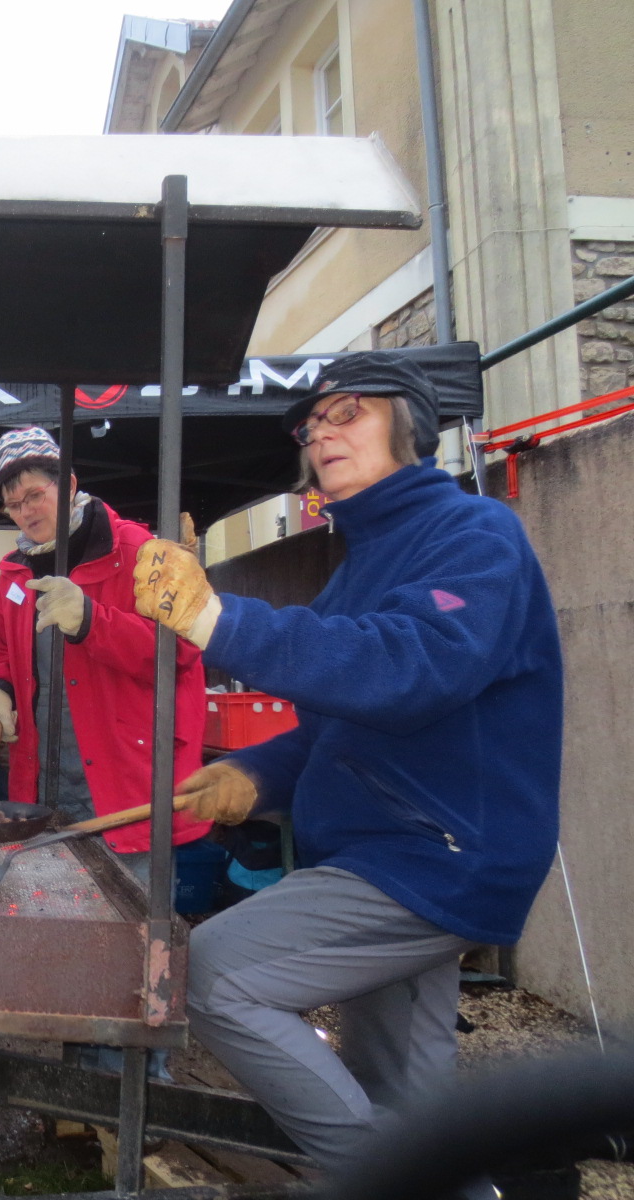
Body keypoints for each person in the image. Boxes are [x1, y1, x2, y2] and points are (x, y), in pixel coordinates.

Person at [132, 351, 562, 1184]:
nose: (322, 432)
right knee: (400, 1095)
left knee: (214, 974)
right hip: (390, 849)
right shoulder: (358, 563)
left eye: (348, 412)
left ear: (411, 425)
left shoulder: (476, 535)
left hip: (436, 855)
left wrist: (219, 618)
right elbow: (339, 723)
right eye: (312, 423)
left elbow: (413, 666)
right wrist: (254, 775)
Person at [0, 427, 211, 854]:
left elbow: (180, 651)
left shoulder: (142, 552)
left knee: (131, 912)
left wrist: (92, 622)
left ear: (68, 485)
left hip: (127, 783)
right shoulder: (15, 572)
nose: (25, 512)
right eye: (12, 505)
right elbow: (2, 648)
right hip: (43, 783)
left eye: (33, 495)